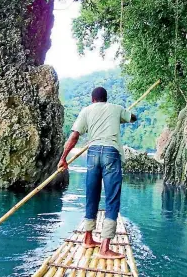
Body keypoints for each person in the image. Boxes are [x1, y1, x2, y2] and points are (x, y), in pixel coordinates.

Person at [57, 86, 137, 259]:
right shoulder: (116, 108)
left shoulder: (86, 111)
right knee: (112, 198)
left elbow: (74, 136)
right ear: (105, 99)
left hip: (92, 154)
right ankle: (105, 248)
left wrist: (63, 158)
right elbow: (133, 118)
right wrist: (125, 116)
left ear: (93, 100)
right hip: (111, 153)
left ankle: (88, 238)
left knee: (91, 195)